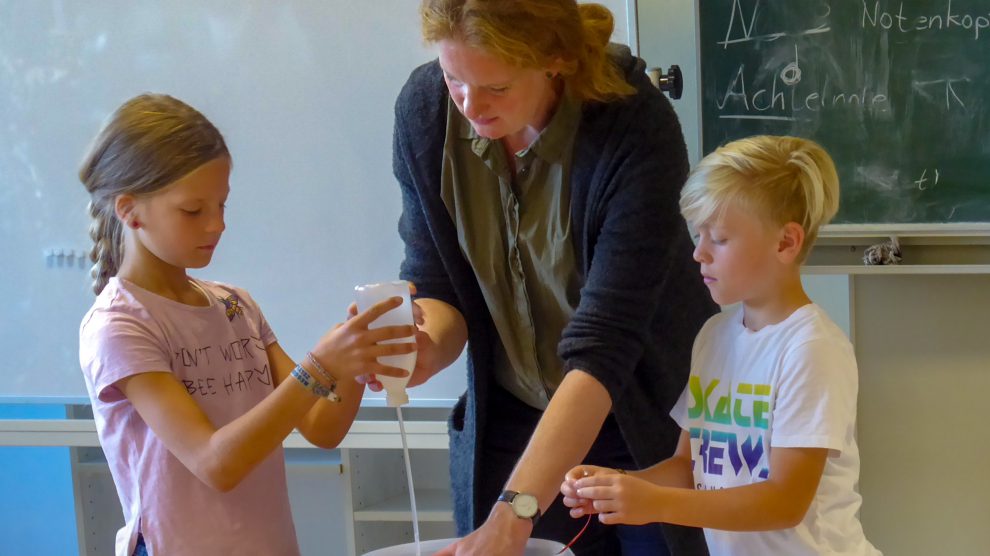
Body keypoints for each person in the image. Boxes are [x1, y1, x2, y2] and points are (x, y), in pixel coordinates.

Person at [388, 1, 718, 553]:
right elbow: (437, 282)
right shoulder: (423, 112)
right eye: (454, 79)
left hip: (645, 420)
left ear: (554, 60)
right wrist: (423, 344)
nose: (470, 105)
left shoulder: (632, 122)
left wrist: (513, 514)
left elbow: (605, 345)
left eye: (495, 87)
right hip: (518, 421)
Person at [77, 94, 416, 556]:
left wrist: (356, 358)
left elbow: (321, 426)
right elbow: (216, 463)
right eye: (193, 210)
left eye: (222, 205)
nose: (217, 225)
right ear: (129, 210)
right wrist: (321, 365)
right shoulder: (120, 326)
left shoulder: (234, 305)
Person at [561, 136, 882, 556]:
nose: (698, 254)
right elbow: (686, 467)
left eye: (720, 239)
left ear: (786, 242)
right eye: (698, 236)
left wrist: (653, 503)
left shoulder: (811, 348)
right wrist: (619, 485)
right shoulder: (713, 336)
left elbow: (784, 502)